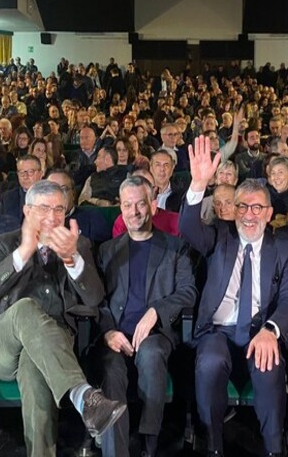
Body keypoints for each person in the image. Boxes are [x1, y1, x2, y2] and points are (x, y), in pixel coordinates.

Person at [0, 180, 125, 457]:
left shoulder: (79, 244)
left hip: (52, 343)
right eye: (43, 208)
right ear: (27, 211)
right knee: (26, 307)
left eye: (59, 209)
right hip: (3, 345)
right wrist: (24, 251)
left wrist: (72, 259)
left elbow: (94, 298)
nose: (52, 217)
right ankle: (83, 395)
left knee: (35, 372)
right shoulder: (5, 242)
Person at [179, 136, 288, 457]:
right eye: (242, 206)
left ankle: (274, 449)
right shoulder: (219, 235)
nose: (249, 214)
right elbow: (188, 227)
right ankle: (213, 445)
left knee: (269, 367)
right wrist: (198, 183)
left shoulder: (283, 248)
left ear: (269, 212)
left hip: (260, 329)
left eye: (257, 207)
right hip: (217, 330)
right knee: (210, 363)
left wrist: (271, 330)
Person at [96, 175, 197, 457]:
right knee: (110, 369)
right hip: (116, 335)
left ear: (152, 206)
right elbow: (97, 299)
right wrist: (107, 332)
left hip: (156, 336)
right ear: (120, 207)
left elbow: (189, 292)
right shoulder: (107, 251)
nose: (134, 212)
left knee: (151, 354)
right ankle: (115, 451)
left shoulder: (175, 247)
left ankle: (149, 443)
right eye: (128, 205)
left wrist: (156, 311)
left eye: (140, 204)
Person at [0, 154, 44, 223]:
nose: (25, 176)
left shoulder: (50, 197)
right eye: (21, 172)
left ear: (40, 174)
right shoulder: (7, 198)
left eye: (30, 172)